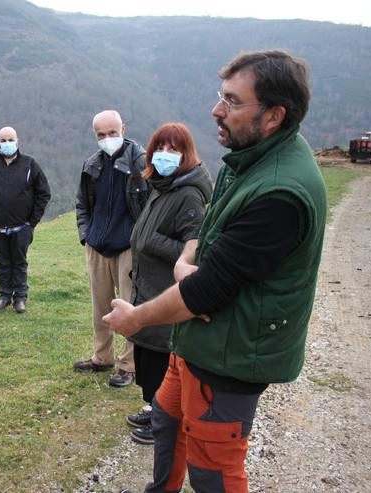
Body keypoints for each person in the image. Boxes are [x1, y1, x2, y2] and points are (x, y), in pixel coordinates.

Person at [104, 50, 327, 493]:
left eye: (232, 100)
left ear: (274, 115)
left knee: (213, 472)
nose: (216, 110)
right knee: (167, 420)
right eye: (219, 95)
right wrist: (188, 263)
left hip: (230, 355)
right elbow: (205, 233)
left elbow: (205, 291)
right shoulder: (250, 158)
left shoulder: (280, 191)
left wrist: (136, 318)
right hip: (196, 343)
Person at [123, 123, 213, 445]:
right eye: (159, 148)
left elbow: (195, 252)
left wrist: (153, 242)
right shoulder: (162, 187)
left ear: (186, 154)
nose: (165, 155)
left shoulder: (188, 194)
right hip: (146, 287)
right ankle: (154, 407)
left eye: (173, 149)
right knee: (147, 361)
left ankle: (165, 421)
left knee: (162, 361)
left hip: (165, 292)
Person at [73, 110, 149, 388]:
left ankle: (129, 364)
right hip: (97, 245)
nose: (107, 139)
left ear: (123, 129)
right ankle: (101, 357)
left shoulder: (141, 161)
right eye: (101, 135)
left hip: (128, 246)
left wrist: (140, 241)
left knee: (130, 307)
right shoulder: (92, 164)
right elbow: (82, 204)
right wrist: (86, 235)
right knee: (100, 307)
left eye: (112, 133)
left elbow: (151, 203)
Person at [0, 126, 51, 313]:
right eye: (3, 140)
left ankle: (20, 298)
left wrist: (32, 222)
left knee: (20, 261)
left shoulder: (30, 165)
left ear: (18, 141)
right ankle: (5, 295)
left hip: (22, 227)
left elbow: (43, 193)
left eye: (10, 140)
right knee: (3, 262)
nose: (7, 143)